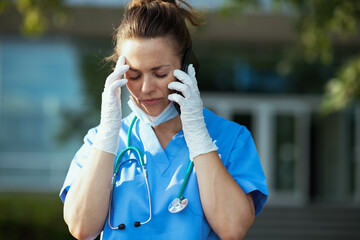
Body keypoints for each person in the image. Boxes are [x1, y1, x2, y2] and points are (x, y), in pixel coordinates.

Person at [60, 0, 268, 239]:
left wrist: (199, 138)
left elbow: (233, 228)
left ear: (189, 66)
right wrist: (108, 134)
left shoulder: (231, 138)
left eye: (160, 73)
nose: (146, 88)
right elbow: (81, 227)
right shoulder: (101, 140)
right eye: (134, 75)